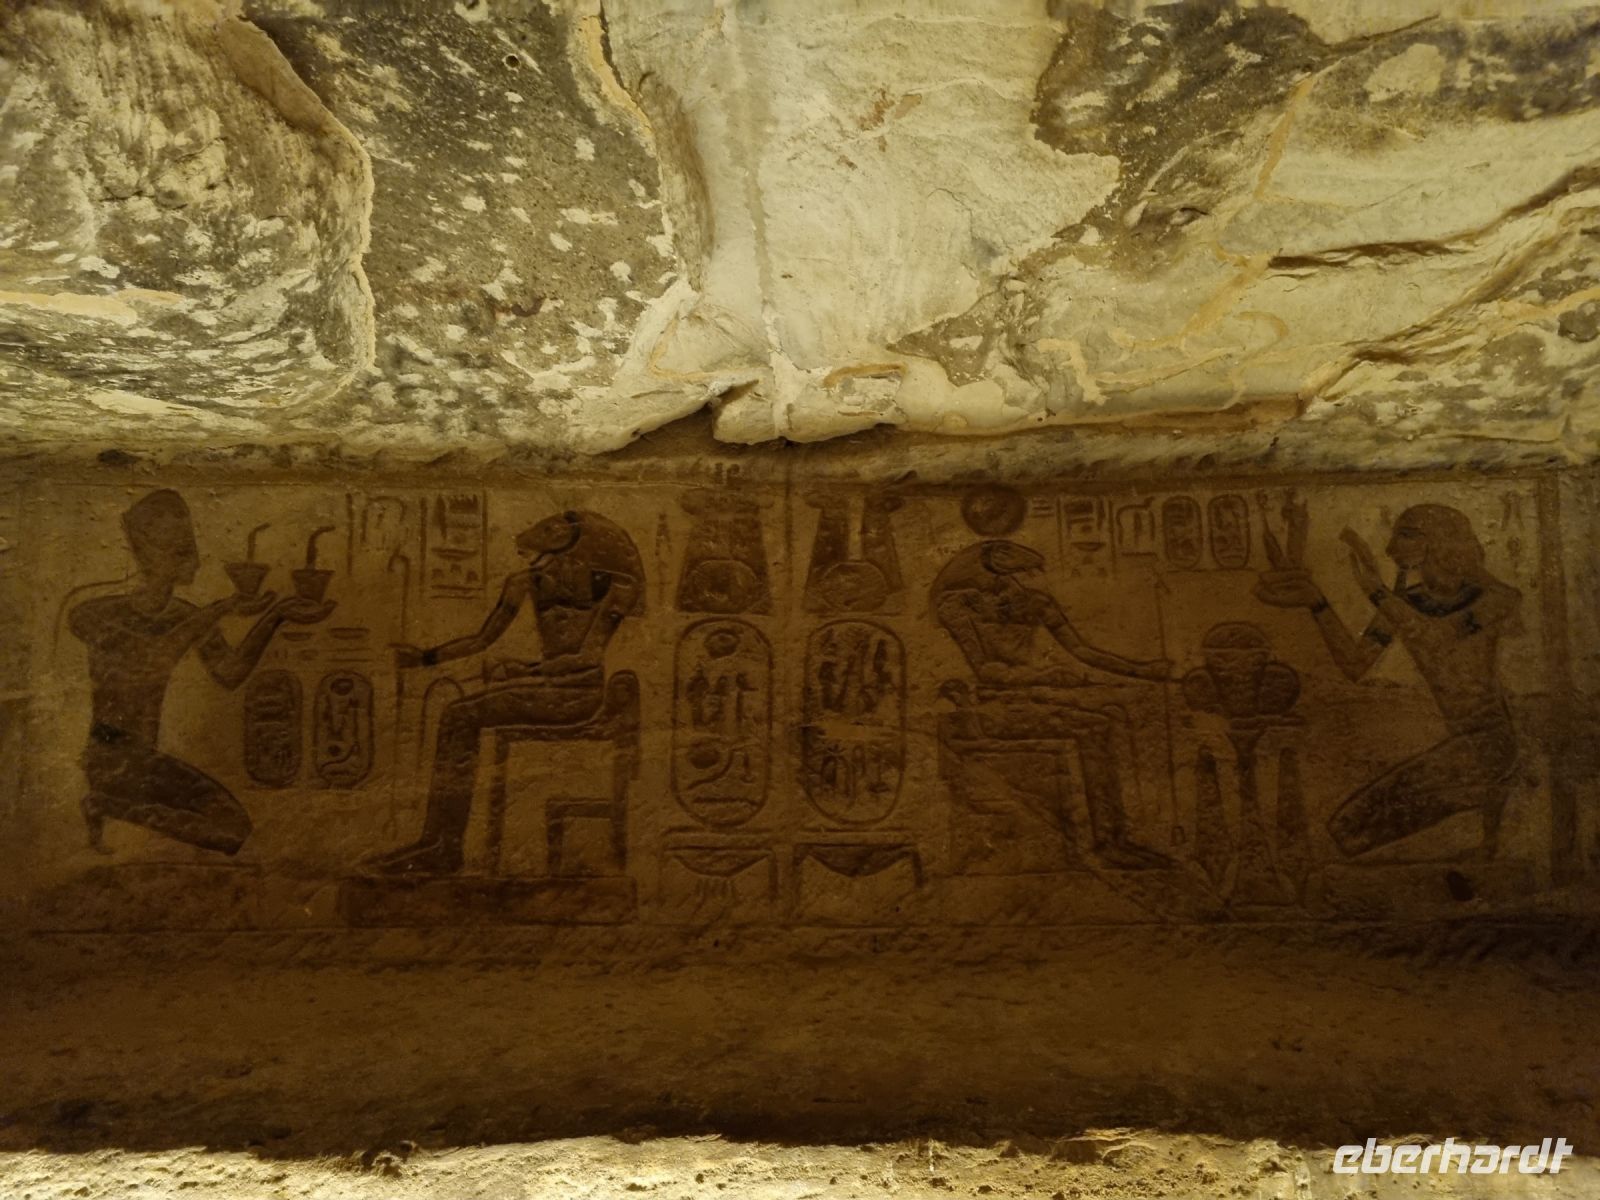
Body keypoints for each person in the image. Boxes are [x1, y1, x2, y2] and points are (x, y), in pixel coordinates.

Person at [370, 510, 643, 876]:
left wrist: (526, 670)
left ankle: (444, 847)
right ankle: (438, 843)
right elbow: (481, 640)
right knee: (457, 714)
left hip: (577, 697)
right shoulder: (523, 583)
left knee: (460, 715)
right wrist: (425, 658)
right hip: (549, 688)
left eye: (556, 531)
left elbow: (587, 660)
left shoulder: (617, 588)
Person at [69, 489, 334, 854]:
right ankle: (107, 802)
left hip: (144, 761)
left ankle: (110, 806)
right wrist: (219, 610)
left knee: (233, 830)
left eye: (189, 547)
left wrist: (276, 616)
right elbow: (149, 658)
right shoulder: (96, 613)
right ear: (148, 553)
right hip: (110, 759)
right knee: (227, 828)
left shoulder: (186, 615)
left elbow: (230, 672)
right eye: (181, 550)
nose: (193, 559)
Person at [1255, 504, 1521, 857]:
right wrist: (1318, 604)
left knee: (1356, 829)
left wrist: (1377, 592)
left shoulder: (1493, 598)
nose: (1393, 546)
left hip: (1492, 745)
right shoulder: (1406, 603)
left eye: (1407, 535)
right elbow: (1354, 664)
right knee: (1345, 829)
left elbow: (1438, 637)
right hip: (1460, 748)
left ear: (1441, 540)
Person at [932, 510, 1174, 870]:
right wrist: (1045, 676)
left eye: (1018, 579)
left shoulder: (1036, 603)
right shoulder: (958, 606)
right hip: (993, 708)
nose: (1013, 588)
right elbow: (988, 673)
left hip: (1028, 701)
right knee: (1094, 726)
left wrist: (1143, 671)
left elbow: (1083, 652)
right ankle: (1107, 844)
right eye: (1005, 579)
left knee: (1111, 715)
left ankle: (1117, 838)